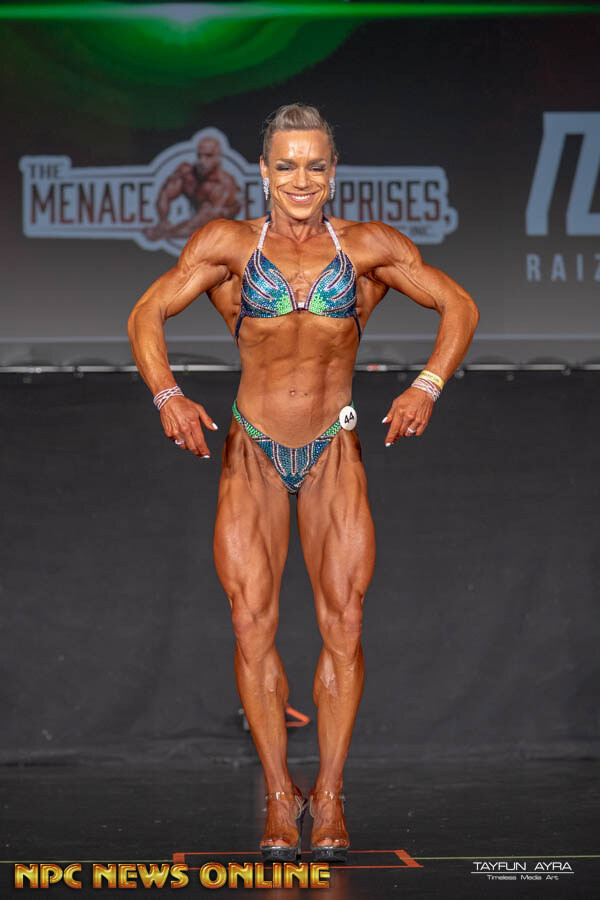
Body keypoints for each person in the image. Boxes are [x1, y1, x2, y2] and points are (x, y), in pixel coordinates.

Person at [127, 104, 479, 863]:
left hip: (332, 450)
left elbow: (460, 304)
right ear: (263, 171)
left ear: (333, 171)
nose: (301, 179)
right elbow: (147, 311)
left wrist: (426, 385)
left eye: (315, 165)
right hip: (251, 449)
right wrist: (167, 395)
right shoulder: (226, 244)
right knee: (250, 623)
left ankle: (332, 793)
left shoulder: (368, 246)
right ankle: (280, 796)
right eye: (286, 165)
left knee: (344, 623)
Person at [144, 136, 241, 241]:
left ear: (218, 157)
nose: (202, 160)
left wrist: (161, 233)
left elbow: (198, 225)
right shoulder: (186, 173)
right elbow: (165, 194)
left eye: (208, 155)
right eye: (199, 155)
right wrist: (163, 220)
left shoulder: (224, 185)